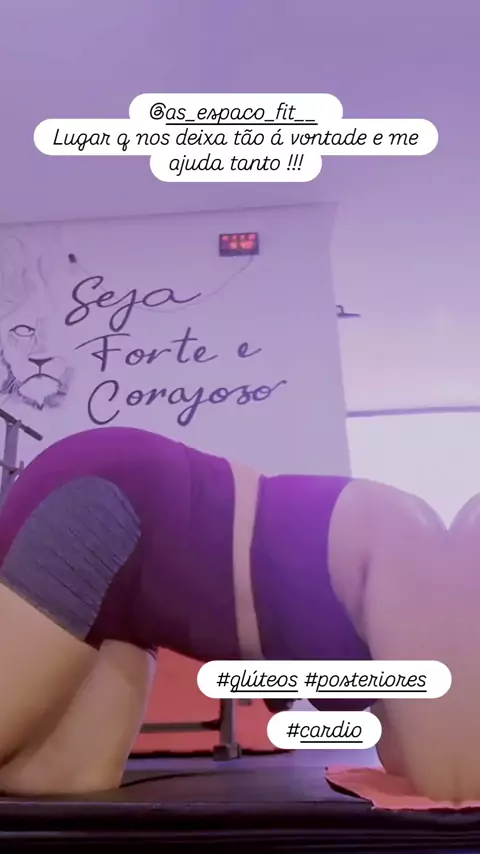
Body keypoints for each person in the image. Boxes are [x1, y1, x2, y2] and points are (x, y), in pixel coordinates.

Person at [0, 426, 458, 799]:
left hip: (142, 599)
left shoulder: (427, 636)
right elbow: (450, 779)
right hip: (108, 495)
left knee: (56, 783)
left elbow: (408, 761)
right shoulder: (412, 541)